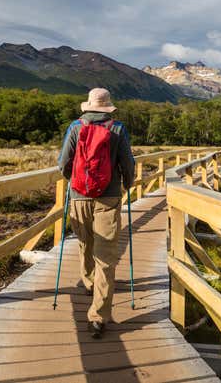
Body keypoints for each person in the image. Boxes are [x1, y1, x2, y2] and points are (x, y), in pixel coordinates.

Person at [57, 87, 135, 339]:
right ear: (107, 106)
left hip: (80, 196)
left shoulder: (75, 127)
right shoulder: (118, 129)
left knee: (84, 244)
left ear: (88, 105)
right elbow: (128, 164)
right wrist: (127, 183)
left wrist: (75, 181)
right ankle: (99, 316)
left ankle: (89, 283)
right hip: (109, 198)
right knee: (106, 255)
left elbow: (62, 163)